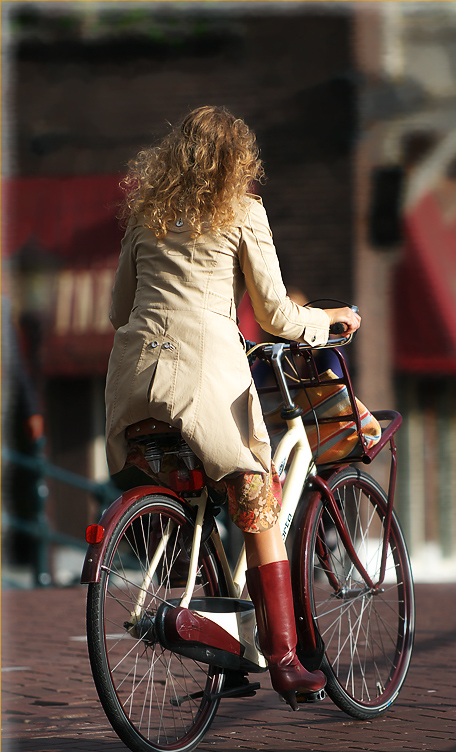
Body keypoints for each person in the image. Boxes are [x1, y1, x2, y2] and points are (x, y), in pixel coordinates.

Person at [105, 105, 360, 709]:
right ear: (238, 161)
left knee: (190, 489)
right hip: (203, 377)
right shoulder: (244, 212)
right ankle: (286, 660)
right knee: (256, 494)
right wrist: (328, 319)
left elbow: (119, 310)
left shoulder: (145, 214)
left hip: (135, 381)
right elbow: (275, 316)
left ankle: (224, 638)